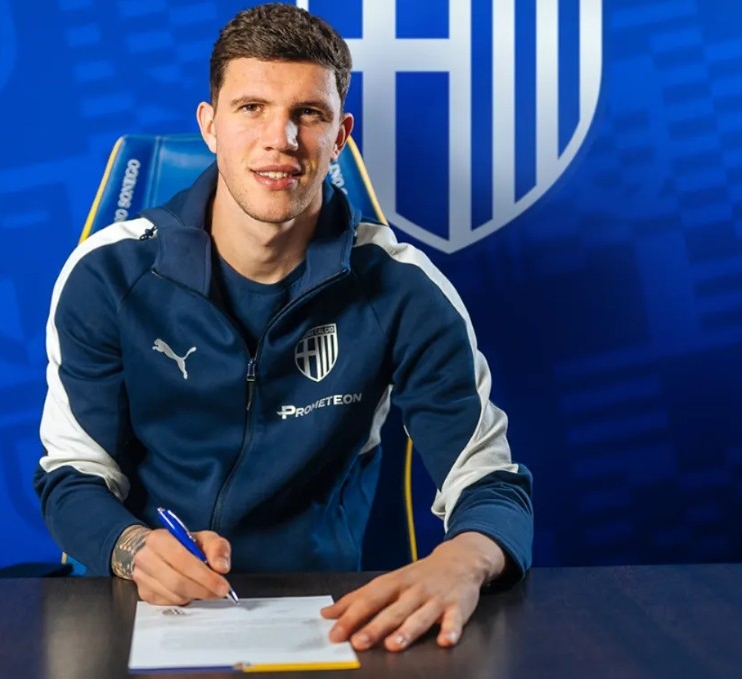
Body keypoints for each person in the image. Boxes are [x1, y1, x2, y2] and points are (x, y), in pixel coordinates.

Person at [35, 2, 532, 653]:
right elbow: (72, 475)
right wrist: (131, 547)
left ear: (340, 135)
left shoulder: (402, 289)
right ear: (209, 126)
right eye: (251, 108)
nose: (282, 139)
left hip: (323, 612)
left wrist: (464, 559)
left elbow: (489, 481)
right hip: (144, 606)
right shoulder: (107, 274)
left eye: (309, 113)